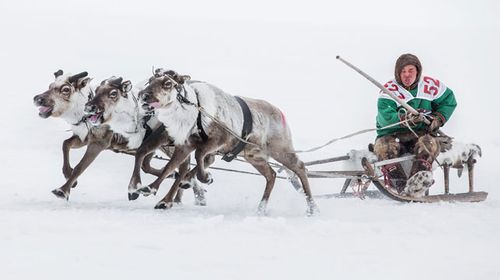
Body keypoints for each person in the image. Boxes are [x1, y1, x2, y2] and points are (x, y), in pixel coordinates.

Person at [373, 53, 457, 195]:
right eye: (403, 71)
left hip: (420, 135)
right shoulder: (389, 91)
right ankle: (398, 185)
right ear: (397, 73)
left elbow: (449, 100)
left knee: (429, 143)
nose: (407, 75)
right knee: (383, 146)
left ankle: (416, 184)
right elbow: (385, 117)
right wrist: (405, 118)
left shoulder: (431, 86)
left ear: (417, 71)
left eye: (411, 70)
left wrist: (438, 118)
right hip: (392, 135)